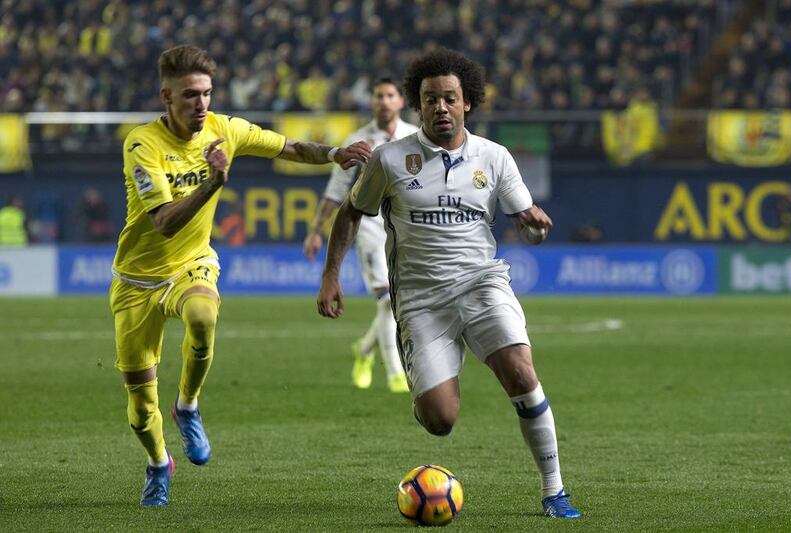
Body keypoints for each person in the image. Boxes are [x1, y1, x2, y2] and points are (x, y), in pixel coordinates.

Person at [317, 49, 580, 519]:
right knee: (440, 421)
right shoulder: (390, 159)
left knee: (520, 370)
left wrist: (535, 227)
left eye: (450, 99)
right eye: (431, 99)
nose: (441, 107)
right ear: (418, 106)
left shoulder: (494, 158)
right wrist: (331, 275)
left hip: (481, 284)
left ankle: (554, 489)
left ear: (468, 104)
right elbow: (351, 212)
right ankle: (429, 389)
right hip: (420, 301)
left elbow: (528, 222)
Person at [110, 44, 370, 507]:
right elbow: (166, 221)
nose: (201, 104)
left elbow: (288, 147)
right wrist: (212, 183)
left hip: (190, 265)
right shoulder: (141, 144)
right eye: (190, 95)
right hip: (135, 281)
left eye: (207, 93)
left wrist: (334, 152)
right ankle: (157, 463)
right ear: (166, 96)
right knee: (139, 405)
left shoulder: (224, 129)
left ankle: (187, 405)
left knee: (203, 317)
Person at [304, 78, 418, 393]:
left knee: (396, 302)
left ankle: (364, 350)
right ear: (372, 102)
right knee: (386, 298)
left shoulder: (414, 137)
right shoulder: (359, 139)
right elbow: (337, 190)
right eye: (378, 95)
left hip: (405, 227)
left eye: (390, 95)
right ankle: (397, 373)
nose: (384, 100)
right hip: (369, 227)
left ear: (400, 101)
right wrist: (317, 230)